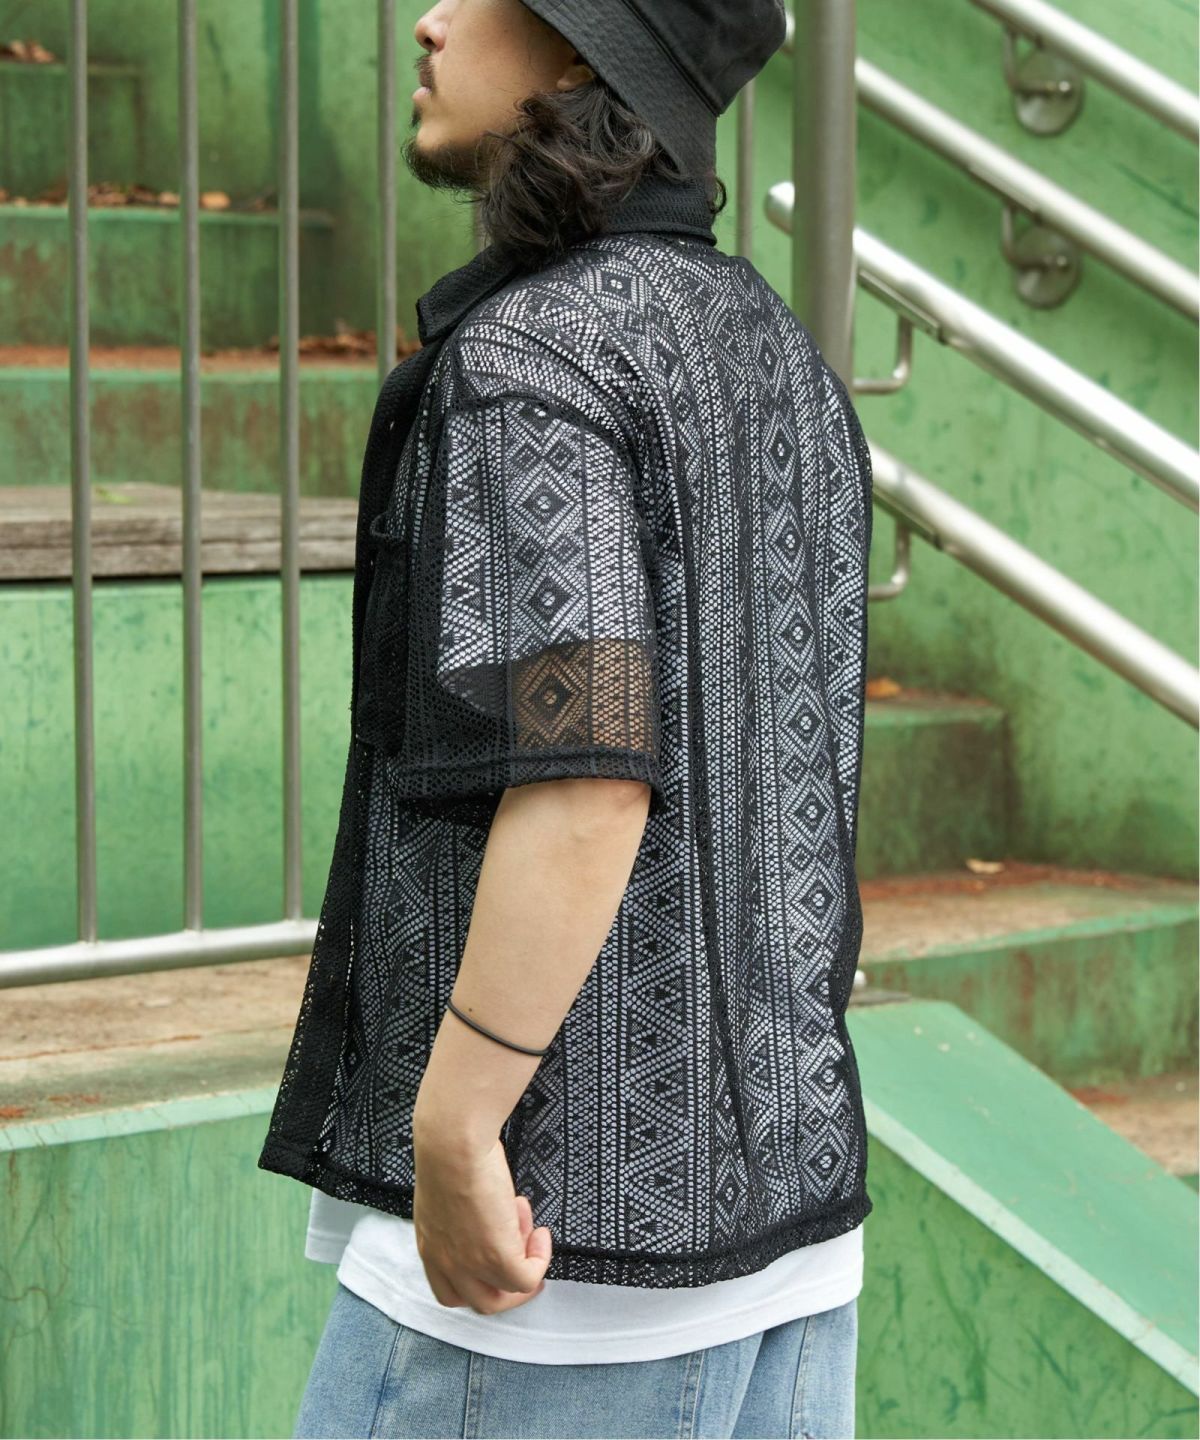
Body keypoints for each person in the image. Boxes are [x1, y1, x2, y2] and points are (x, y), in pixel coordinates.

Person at [258, 1, 876, 1435]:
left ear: (588, 51)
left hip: (547, 1282)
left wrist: (455, 1121)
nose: (427, 20)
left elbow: (586, 776)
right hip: (789, 1250)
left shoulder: (537, 360)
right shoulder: (773, 348)